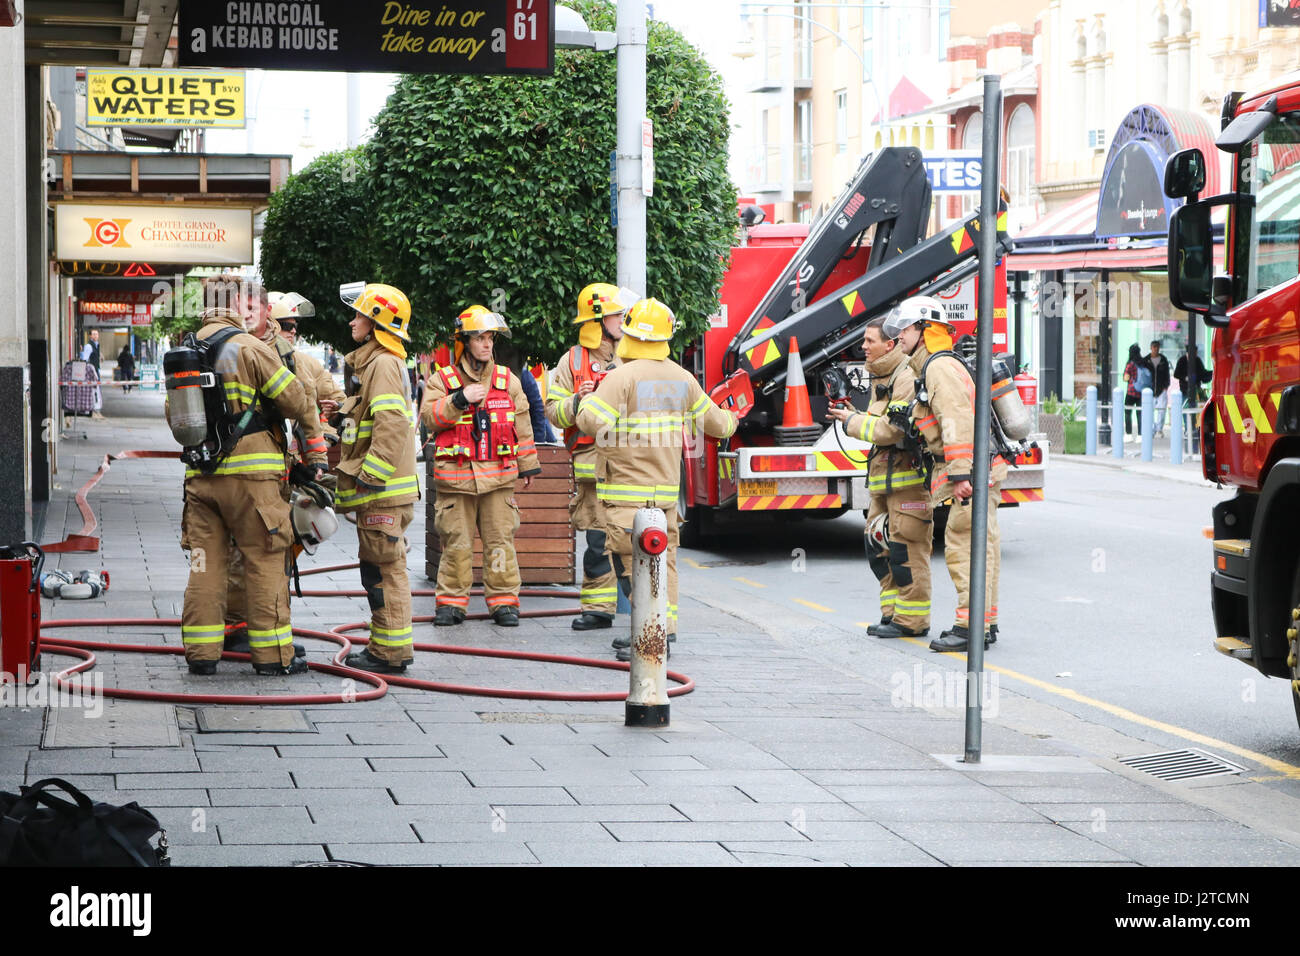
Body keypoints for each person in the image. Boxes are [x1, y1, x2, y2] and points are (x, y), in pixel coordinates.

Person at [574, 297, 737, 660]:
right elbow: (717, 423)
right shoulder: (683, 378)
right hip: (664, 498)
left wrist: (584, 402)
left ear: (630, 335)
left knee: (630, 561)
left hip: (626, 495)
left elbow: (590, 422)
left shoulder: (620, 378)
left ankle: (649, 637)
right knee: (666, 562)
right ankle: (666, 629)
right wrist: (734, 418)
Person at [179, 277, 328, 676]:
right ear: (232, 304)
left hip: (200, 475)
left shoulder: (188, 348)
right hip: (253, 480)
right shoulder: (248, 346)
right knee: (264, 561)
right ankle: (272, 657)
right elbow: (296, 399)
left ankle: (202, 655)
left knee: (205, 566)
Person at [882, 295, 1003, 653]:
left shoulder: (937, 368)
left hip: (971, 473)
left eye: (904, 329)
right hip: (985, 469)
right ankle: (986, 621)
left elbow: (957, 422)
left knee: (963, 547)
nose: (899, 337)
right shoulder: (936, 365)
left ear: (924, 329)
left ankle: (969, 628)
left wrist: (962, 475)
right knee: (985, 548)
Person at [422, 305, 541, 628]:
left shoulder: (507, 381)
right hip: (456, 480)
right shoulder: (442, 380)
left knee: (501, 542)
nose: (487, 345)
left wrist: (528, 466)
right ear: (463, 342)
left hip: (499, 479)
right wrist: (458, 400)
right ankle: (450, 603)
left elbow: (523, 425)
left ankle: (504, 603)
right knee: (456, 544)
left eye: (490, 338)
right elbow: (429, 418)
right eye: (479, 338)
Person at [332, 282, 422, 674]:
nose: (353, 321)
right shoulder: (376, 364)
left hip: (382, 492)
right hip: (383, 492)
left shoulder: (383, 364)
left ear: (376, 323)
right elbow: (371, 419)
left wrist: (371, 476)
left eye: (360, 315)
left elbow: (390, 424)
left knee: (384, 571)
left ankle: (390, 652)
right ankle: (387, 646)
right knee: (380, 568)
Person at [827, 315, 931, 639]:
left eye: (869, 341)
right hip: (883, 483)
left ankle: (912, 620)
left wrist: (851, 421)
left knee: (906, 551)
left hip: (907, 483)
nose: (863, 347)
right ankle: (891, 614)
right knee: (879, 548)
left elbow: (891, 429)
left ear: (889, 344)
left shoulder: (906, 377)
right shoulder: (881, 377)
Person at [545, 283, 635, 632]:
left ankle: (645, 615)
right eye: (616, 315)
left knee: (629, 541)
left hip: (629, 465)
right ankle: (598, 609)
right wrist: (577, 401)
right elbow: (553, 412)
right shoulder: (572, 361)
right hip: (592, 470)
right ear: (597, 319)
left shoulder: (632, 356)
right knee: (598, 542)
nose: (622, 320)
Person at [1139, 340, 1171, 437]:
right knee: (1150, 410)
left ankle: (1159, 429)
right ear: (1151, 348)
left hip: (1161, 389)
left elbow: (1167, 374)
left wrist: (1166, 386)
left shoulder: (1163, 360)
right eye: (1154, 347)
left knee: (1162, 410)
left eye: (1157, 347)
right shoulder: (1146, 360)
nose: (1155, 349)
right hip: (1150, 389)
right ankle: (1152, 429)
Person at [81, 330, 104, 418]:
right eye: (93, 334)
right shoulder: (89, 346)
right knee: (93, 391)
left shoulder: (97, 345)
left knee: (97, 390)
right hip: (91, 371)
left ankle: (96, 411)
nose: (95, 336)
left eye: (97, 334)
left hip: (96, 370)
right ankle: (93, 411)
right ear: (90, 336)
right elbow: (85, 359)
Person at [1122, 343, 1143, 438]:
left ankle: (1129, 434)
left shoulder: (1130, 364)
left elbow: (1126, 378)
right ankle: (1140, 435)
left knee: (1127, 412)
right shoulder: (1143, 363)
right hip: (1142, 392)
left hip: (1131, 392)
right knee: (1140, 414)